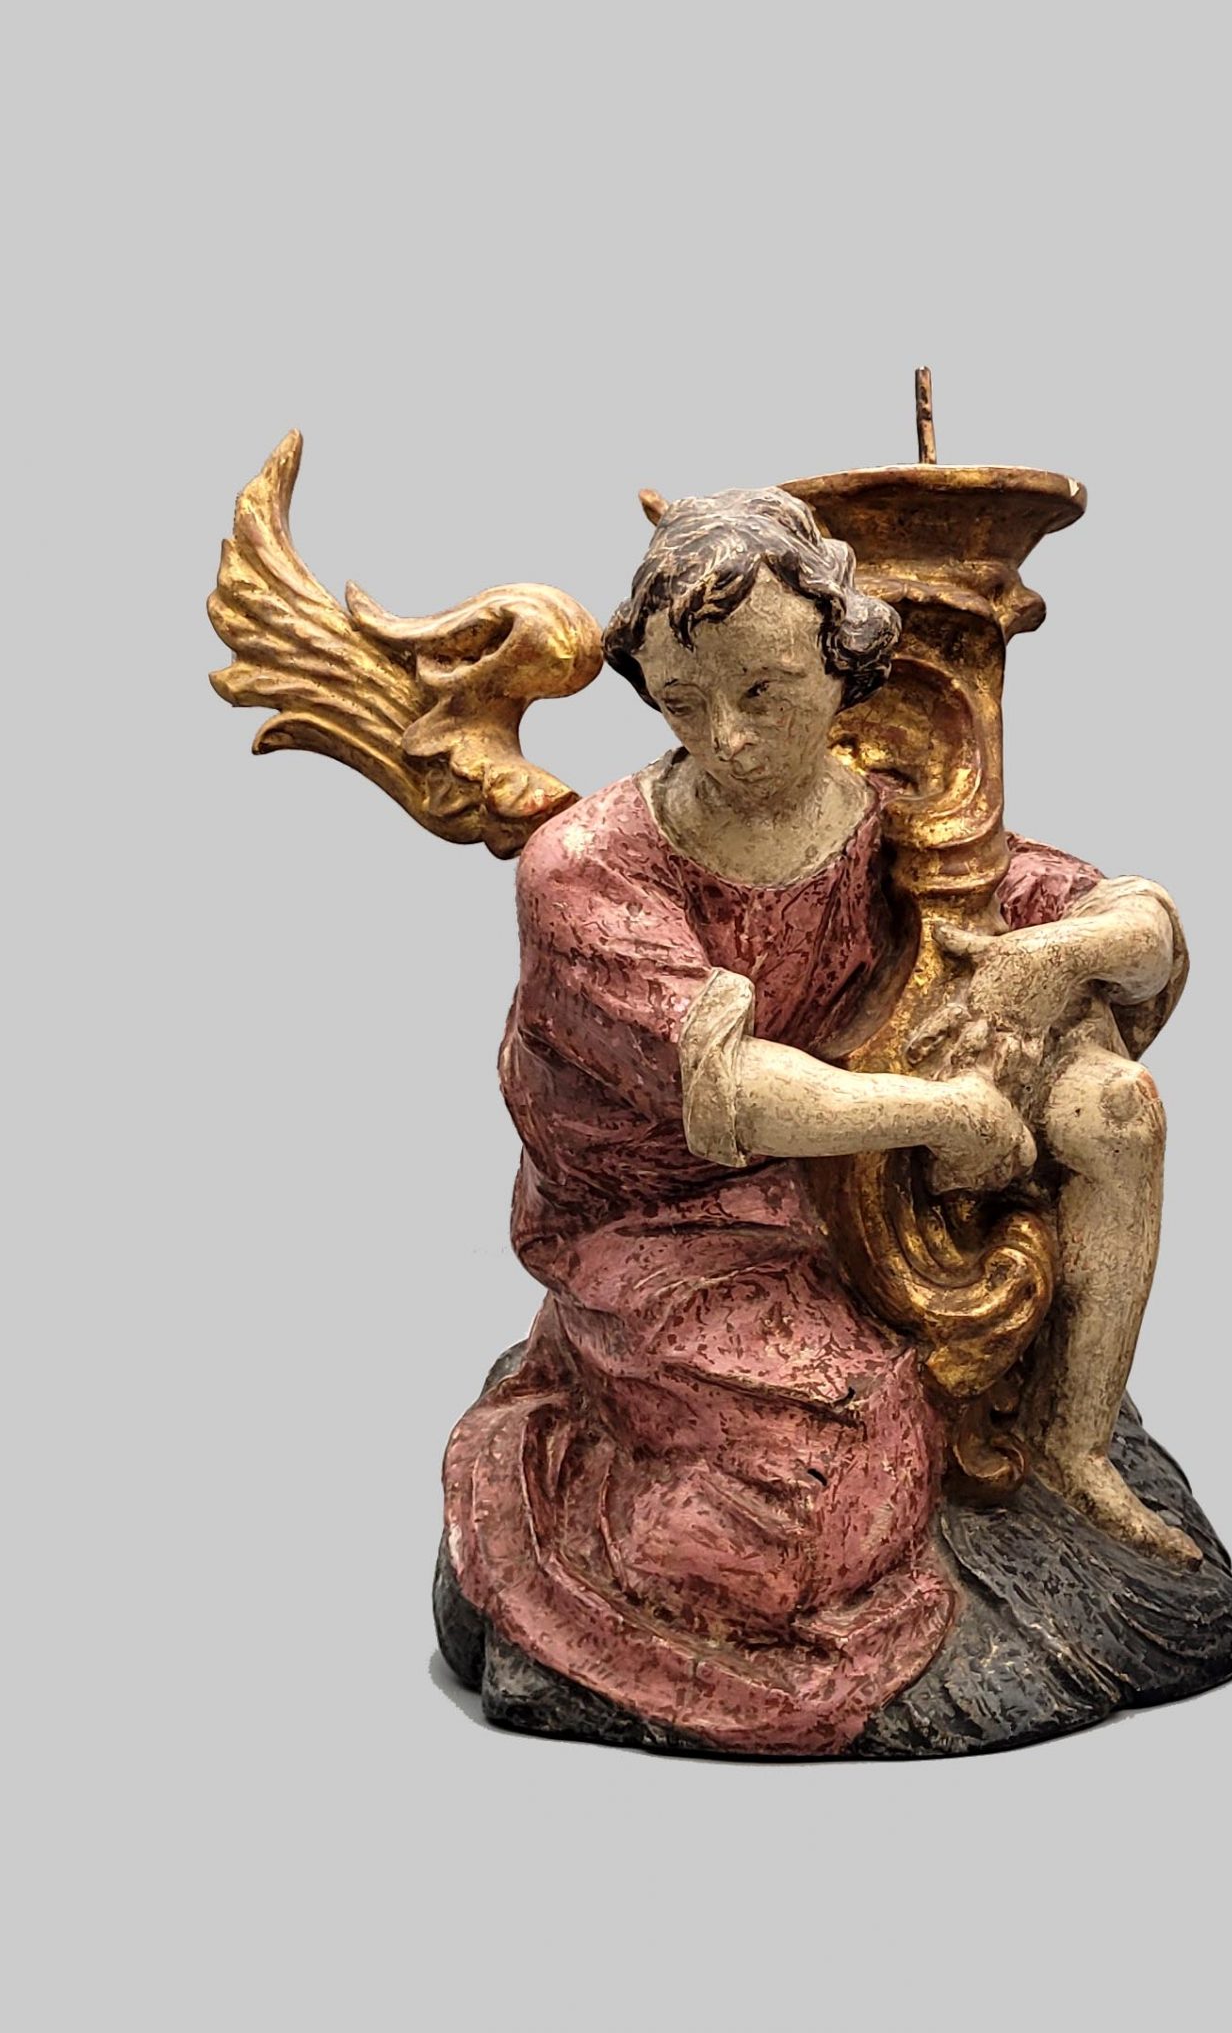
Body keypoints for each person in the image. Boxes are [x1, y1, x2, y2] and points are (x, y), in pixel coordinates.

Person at [443, 487, 1190, 1759]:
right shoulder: (587, 867)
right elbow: (731, 1091)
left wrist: (1060, 953)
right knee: (833, 1477)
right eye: (684, 702)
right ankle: (566, 1484)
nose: (727, 739)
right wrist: (939, 1110)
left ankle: (1076, 1449)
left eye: (765, 692)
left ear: (845, 665)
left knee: (1108, 1109)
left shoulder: (887, 819)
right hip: (665, 1222)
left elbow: (1136, 919)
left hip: (844, 1196)